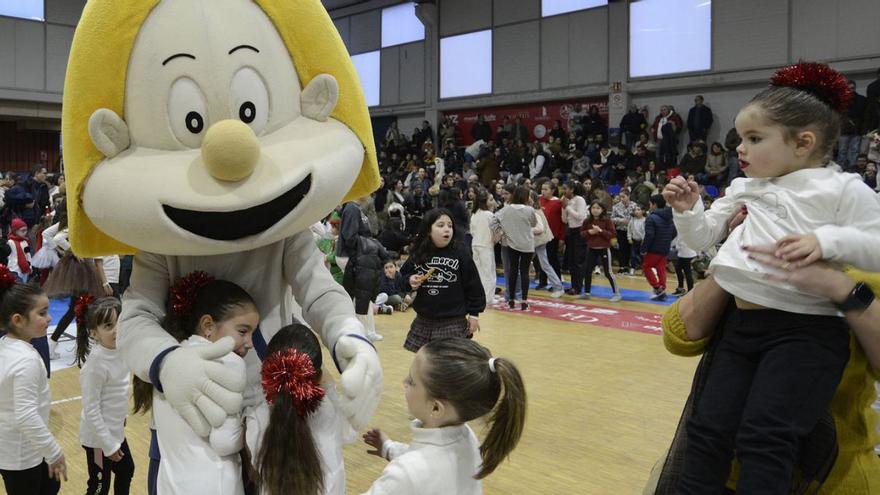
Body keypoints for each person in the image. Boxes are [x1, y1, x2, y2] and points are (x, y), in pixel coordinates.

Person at [662, 62, 880, 494]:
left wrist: (826, 242)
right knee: (707, 430)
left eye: (754, 139)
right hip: (743, 330)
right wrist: (688, 212)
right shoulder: (746, 188)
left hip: (807, 331)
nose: (739, 149)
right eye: (741, 138)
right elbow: (701, 238)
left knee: (766, 438)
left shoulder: (843, 190)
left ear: (803, 143)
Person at [650, 257, 880, 494]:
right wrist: (734, 259)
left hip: (827, 477)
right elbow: (679, 335)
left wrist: (843, 289)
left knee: (769, 437)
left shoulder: (865, 263)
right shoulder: (756, 255)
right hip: (720, 472)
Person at [362, 338, 526, 494]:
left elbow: (416, 470)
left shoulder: (404, 474)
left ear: (435, 408)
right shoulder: (466, 437)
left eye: (411, 381)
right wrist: (388, 448)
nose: (403, 381)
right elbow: (425, 462)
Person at [150, 275, 258, 495]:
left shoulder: (167, 361)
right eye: (242, 331)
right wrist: (254, 423)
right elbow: (224, 442)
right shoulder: (229, 362)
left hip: (169, 485)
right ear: (207, 325)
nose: (249, 343)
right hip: (214, 486)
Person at [245, 324, 356, 495]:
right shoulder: (329, 408)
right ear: (318, 377)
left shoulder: (256, 418)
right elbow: (349, 433)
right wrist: (329, 385)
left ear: (267, 375)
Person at [0, 270, 66, 494]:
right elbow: (26, 414)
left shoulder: (5, 345)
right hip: (22, 454)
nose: (49, 318)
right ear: (17, 320)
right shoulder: (26, 360)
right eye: (42, 313)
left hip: (16, 449)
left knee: (51, 485)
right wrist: (54, 451)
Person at [399, 209, 486, 352]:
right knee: (426, 365)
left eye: (450, 226)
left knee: (449, 366)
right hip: (424, 321)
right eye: (440, 225)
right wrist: (409, 280)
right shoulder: (419, 254)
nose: (447, 229)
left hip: (453, 322)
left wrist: (474, 315)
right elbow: (401, 279)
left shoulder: (461, 253)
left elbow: (474, 286)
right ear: (428, 230)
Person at [76, 296, 134, 495]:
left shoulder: (121, 350)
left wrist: (120, 417)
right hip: (98, 441)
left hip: (114, 430)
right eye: (109, 325)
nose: (116, 330)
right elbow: (91, 410)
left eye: (120, 323)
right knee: (100, 486)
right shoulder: (95, 365)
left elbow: (118, 390)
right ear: (94, 333)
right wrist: (108, 445)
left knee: (126, 470)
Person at [491, 186, 537, 310]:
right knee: (524, 272)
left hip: (512, 244)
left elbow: (493, 220)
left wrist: (500, 231)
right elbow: (534, 224)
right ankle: (524, 300)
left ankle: (511, 300)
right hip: (527, 245)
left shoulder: (505, 210)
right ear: (526, 197)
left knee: (512, 271)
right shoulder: (529, 210)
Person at [580, 201, 621, 302]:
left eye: (598, 208)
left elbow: (612, 234)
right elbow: (582, 233)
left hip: (604, 249)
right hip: (591, 249)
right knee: (587, 271)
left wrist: (600, 231)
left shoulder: (607, 220)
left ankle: (616, 293)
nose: (595, 210)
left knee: (608, 272)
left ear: (602, 210)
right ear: (590, 209)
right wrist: (589, 232)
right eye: (593, 208)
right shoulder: (587, 221)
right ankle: (587, 292)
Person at [641, 194, 676, 301]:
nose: (649, 206)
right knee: (661, 269)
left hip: (654, 248)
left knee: (646, 267)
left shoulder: (651, 218)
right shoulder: (670, 216)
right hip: (665, 247)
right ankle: (662, 288)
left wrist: (644, 249)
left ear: (654, 204)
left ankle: (657, 288)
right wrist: (666, 240)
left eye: (650, 204)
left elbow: (649, 235)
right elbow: (674, 232)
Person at [530, 191, 564, 297]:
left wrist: (526, 230)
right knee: (540, 264)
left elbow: (539, 229)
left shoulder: (534, 211)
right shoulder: (534, 209)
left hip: (538, 241)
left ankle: (558, 287)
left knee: (544, 264)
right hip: (536, 241)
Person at [469, 190, 498, 305]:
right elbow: (497, 232)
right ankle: (488, 298)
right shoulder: (490, 215)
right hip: (485, 246)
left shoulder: (475, 214)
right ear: (484, 202)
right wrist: (495, 240)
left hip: (475, 244)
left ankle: (480, 296)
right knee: (489, 274)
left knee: (479, 272)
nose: (493, 201)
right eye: (490, 199)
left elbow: (472, 231)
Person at [561, 182, 588, 295]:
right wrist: (563, 208)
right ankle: (573, 285)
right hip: (571, 231)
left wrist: (567, 207)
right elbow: (565, 220)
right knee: (571, 260)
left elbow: (581, 217)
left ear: (572, 189)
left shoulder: (579, 199)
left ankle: (578, 287)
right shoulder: (568, 201)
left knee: (578, 260)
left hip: (580, 231)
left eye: (566, 188)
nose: (563, 191)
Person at [611, 190, 637, 275]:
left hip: (631, 231)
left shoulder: (634, 205)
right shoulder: (616, 206)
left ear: (628, 196)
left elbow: (638, 216)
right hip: (620, 230)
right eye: (620, 197)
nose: (621, 199)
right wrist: (620, 220)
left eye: (623, 197)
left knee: (630, 249)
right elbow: (612, 219)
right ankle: (622, 266)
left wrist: (629, 221)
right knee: (622, 248)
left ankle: (629, 266)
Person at [7, 218, 32, 282]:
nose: (25, 233)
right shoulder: (10, 242)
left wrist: (30, 266)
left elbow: (28, 255)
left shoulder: (25, 242)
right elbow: (7, 256)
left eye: (26, 230)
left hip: (25, 269)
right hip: (14, 270)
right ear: (15, 231)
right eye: (22, 231)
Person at [627, 204, 646, 274]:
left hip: (642, 241)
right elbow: (629, 230)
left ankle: (644, 269)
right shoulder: (632, 220)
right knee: (633, 255)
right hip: (634, 241)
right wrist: (629, 238)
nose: (636, 211)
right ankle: (632, 268)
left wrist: (644, 240)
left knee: (643, 256)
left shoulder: (645, 220)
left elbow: (646, 232)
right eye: (635, 210)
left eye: (639, 210)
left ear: (643, 211)